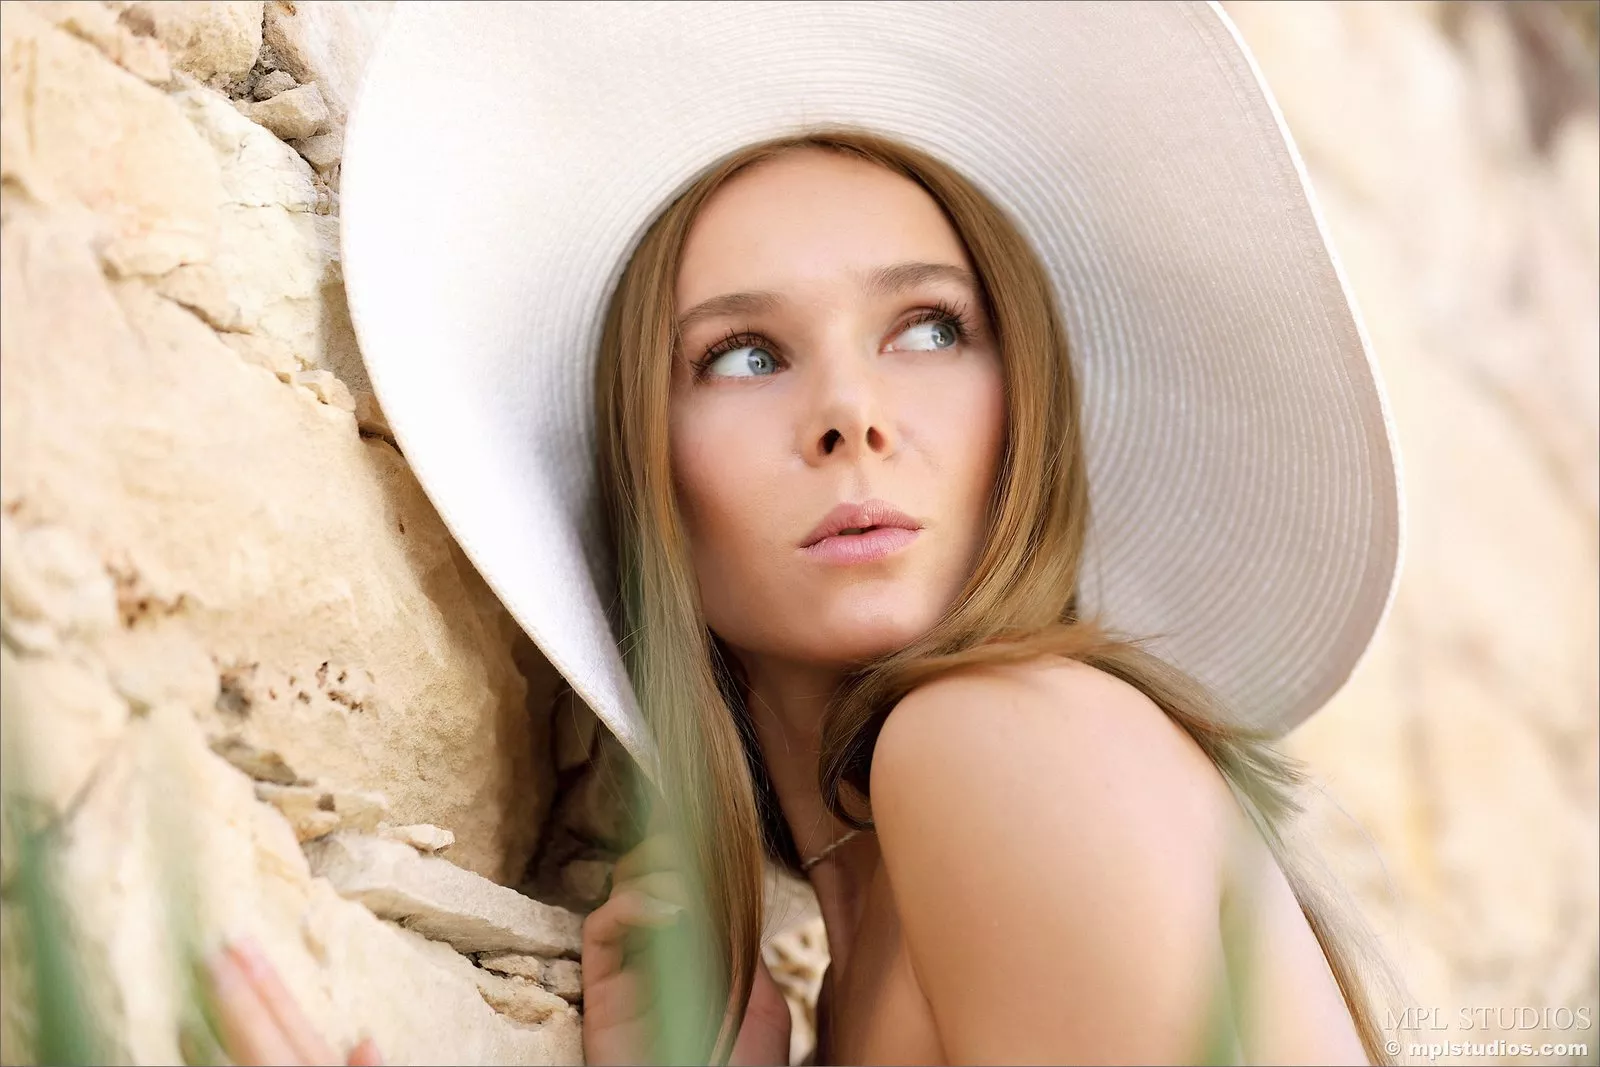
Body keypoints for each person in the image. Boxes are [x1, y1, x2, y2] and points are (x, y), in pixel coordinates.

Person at [207, 3, 1406, 1064]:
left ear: (1024, 409)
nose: (851, 415)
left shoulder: (992, 737)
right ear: (647, 474)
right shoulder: (866, 951)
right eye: (743, 355)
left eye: (929, 328)